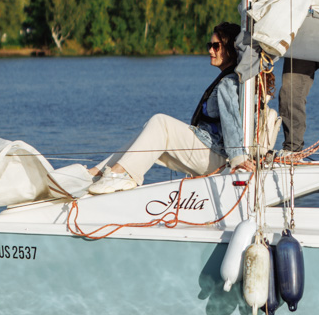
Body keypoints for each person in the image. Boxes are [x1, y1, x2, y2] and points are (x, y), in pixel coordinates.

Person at [89, 22, 253, 194]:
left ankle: (120, 175)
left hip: (217, 157)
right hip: (209, 152)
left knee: (160, 123)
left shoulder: (229, 83)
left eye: (216, 46)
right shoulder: (229, 80)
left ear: (229, 48)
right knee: (149, 134)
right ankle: (98, 173)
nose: (210, 51)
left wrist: (238, 158)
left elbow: (231, 121)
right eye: (209, 46)